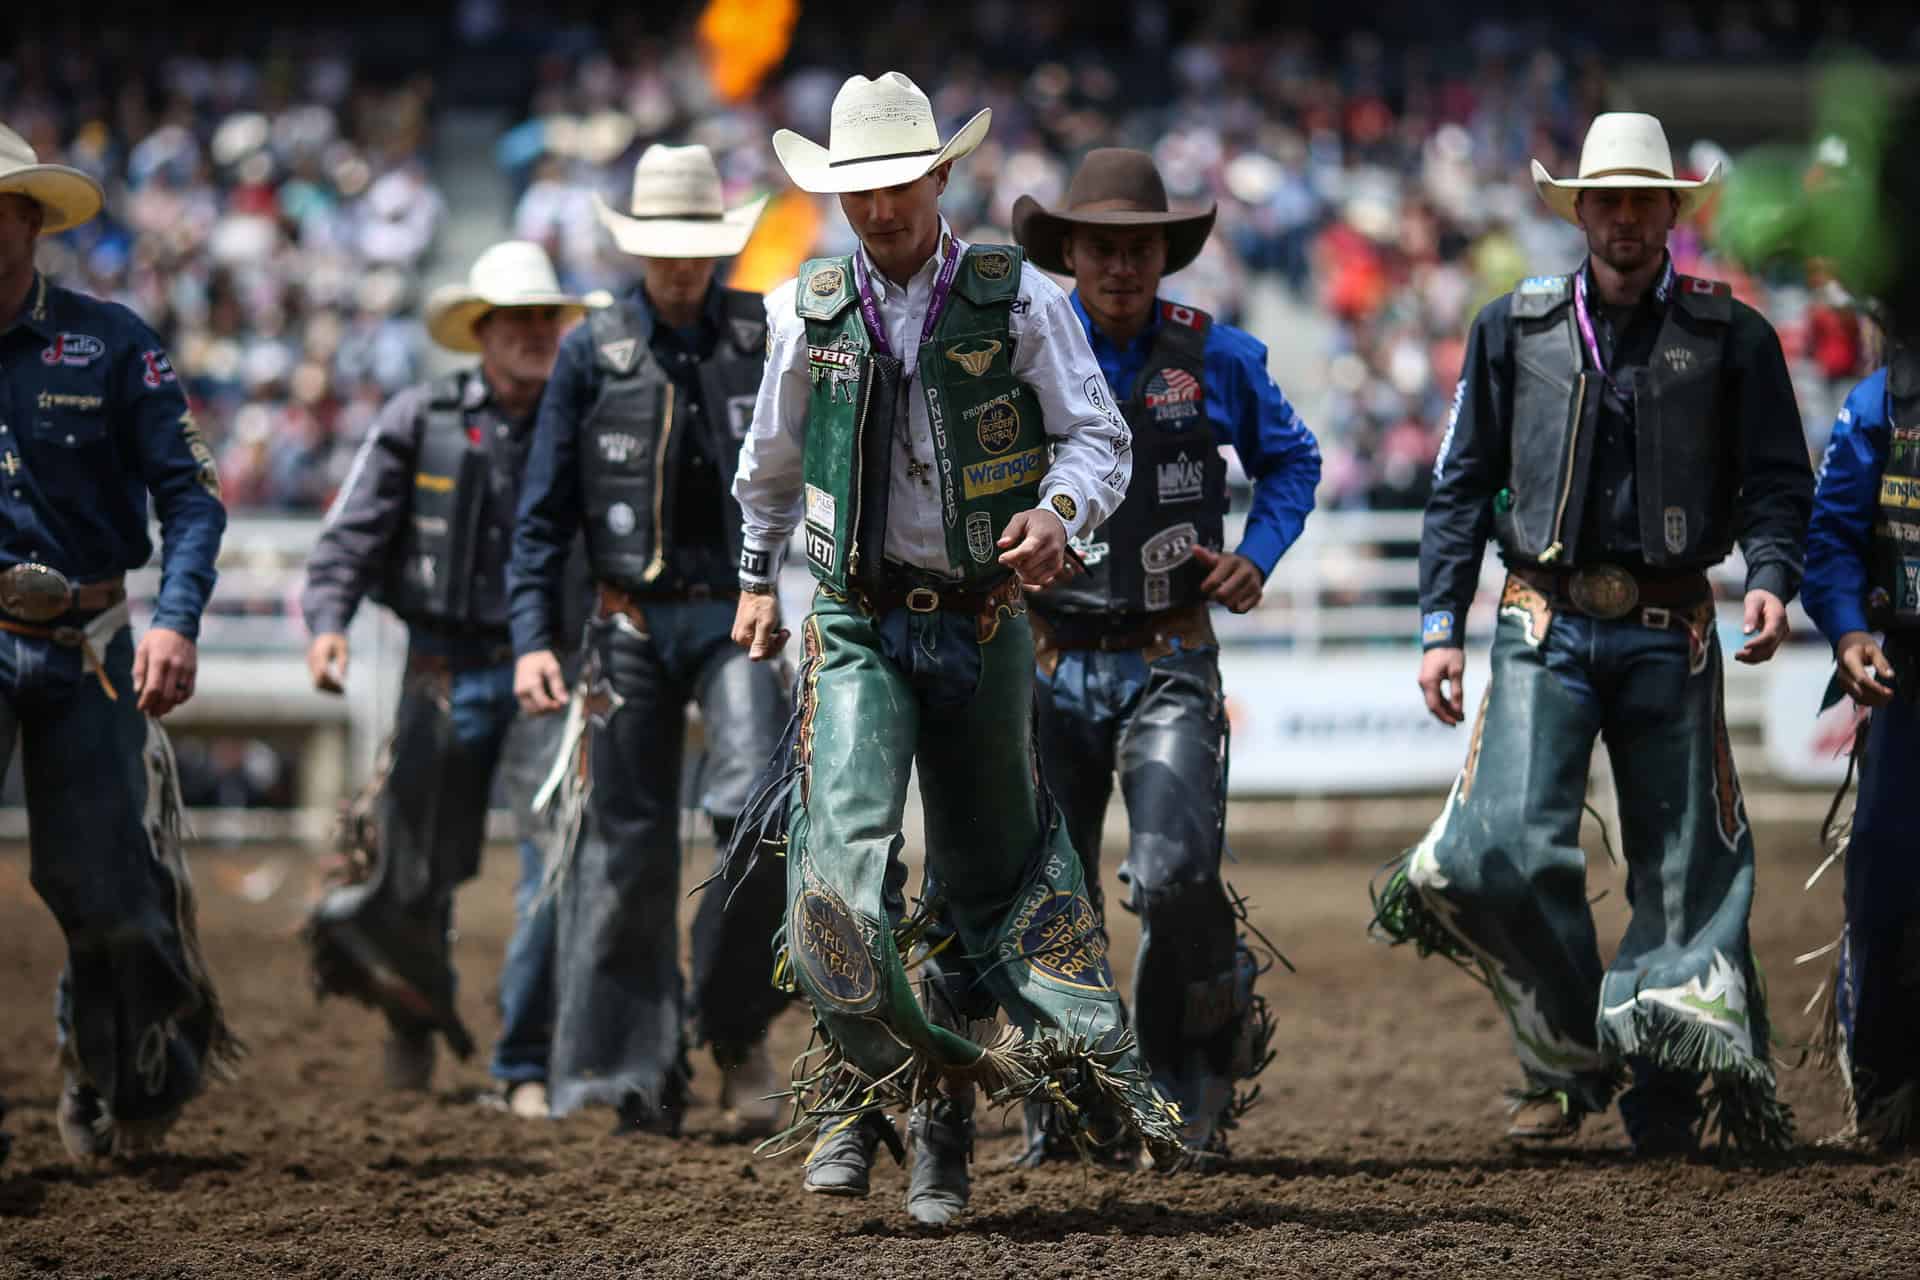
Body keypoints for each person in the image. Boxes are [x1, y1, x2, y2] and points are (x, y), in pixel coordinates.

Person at [727, 72, 1179, 1228]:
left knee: (991, 869)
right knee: (842, 850)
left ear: (938, 177)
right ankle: (852, 1094)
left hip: (979, 607)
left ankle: (941, 1128)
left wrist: (1060, 515)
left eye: (894, 184)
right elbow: (772, 465)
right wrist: (754, 579)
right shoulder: (807, 306)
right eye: (857, 190)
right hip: (854, 611)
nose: (877, 209)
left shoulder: (1016, 296)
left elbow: (1095, 434)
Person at [1372, 113, 1813, 1155]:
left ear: (1672, 212)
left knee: (1680, 862)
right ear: (1579, 212)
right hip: (1543, 618)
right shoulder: (1509, 327)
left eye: (1641, 200)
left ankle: (1661, 1083)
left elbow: (1778, 483)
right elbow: (1458, 487)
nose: (1622, 217)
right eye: (1604, 200)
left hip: (1673, 622)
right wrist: (1440, 625)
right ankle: (1572, 1053)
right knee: (1498, 851)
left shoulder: (1733, 334)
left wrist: (1774, 577)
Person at [1005, 148, 1321, 1159]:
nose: (1122, 265)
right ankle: (1067, 1099)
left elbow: (1293, 460)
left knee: (1177, 872)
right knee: (1049, 889)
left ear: (1164, 254)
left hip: (1171, 656)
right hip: (1047, 660)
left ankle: (1190, 1077)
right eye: (1102, 246)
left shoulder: (1220, 356)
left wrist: (1258, 556)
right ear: (1069, 252)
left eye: (1139, 247)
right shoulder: (1025, 353)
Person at [508, 144, 791, 1137]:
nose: (679, 267)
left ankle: (740, 1030)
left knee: (763, 814)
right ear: (638, 249)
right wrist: (533, 638)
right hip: (621, 624)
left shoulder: (768, 333)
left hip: (736, 614)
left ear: (719, 247)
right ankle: (634, 1068)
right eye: (663, 248)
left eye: (696, 248)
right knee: (620, 850)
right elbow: (543, 512)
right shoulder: (593, 347)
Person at [301, 240, 589, 1114]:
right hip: (439, 664)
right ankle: (416, 1019)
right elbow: (351, 532)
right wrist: (327, 625)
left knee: (557, 860)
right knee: (418, 866)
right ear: (482, 330)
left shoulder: (586, 419)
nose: (539, 332)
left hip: (553, 671)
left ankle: (524, 1061)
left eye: (550, 317)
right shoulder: (415, 417)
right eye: (522, 319)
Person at [0, 122, 236, 1158]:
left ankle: (118, 1077)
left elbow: (192, 498)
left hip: (90, 638)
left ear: (28, 220)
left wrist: (177, 617)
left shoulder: (111, 342)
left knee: (114, 896)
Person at [1800, 338, 1920, 1148]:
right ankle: (1883, 1095)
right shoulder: (1882, 404)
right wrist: (1847, 633)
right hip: (1910, 676)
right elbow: (1832, 541)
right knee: (1879, 882)